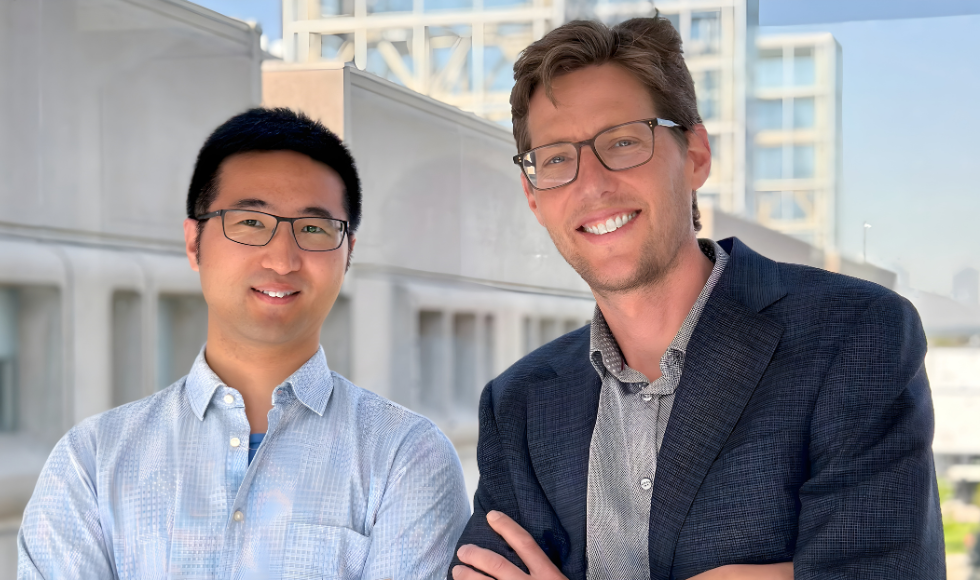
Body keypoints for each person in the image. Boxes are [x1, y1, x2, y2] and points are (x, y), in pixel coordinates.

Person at [449, 16, 945, 580]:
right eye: (558, 159)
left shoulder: (854, 334)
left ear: (697, 155)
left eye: (623, 142)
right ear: (533, 197)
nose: (591, 183)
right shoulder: (519, 404)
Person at [18, 107, 470, 579]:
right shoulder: (92, 462)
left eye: (314, 228)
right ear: (194, 243)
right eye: (251, 222)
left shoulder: (406, 457)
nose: (282, 258)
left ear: (348, 253)